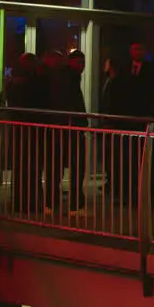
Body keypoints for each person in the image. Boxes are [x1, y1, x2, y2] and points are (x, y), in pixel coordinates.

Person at [104, 44, 154, 206]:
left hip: (144, 121)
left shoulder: (153, 71)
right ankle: (127, 194)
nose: (137, 52)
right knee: (127, 160)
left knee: (146, 159)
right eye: (134, 49)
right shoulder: (125, 70)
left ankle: (148, 194)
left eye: (140, 49)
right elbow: (117, 93)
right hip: (127, 122)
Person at [5, 53, 47, 214]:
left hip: (20, 130)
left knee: (22, 168)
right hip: (29, 130)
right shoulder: (32, 84)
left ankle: (20, 202)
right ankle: (29, 202)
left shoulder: (13, 84)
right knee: (31, 168)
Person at [50, 49, 89, 216]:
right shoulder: (71, 78)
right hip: (70, 127)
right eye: (79, 63)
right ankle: (76, 205)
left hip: (60, 127)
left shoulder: (58, 77)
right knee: (76, 166)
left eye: (83, 63)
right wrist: (81, 122)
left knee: (57, 166)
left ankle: (51, 203)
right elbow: (74, 103)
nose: (81, 67)